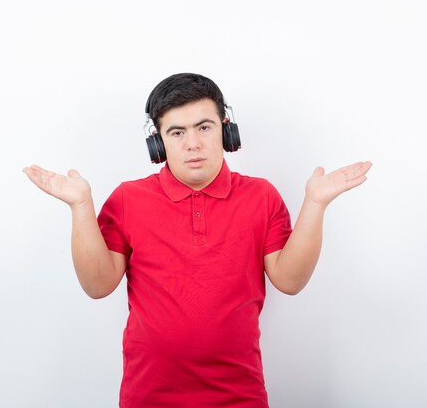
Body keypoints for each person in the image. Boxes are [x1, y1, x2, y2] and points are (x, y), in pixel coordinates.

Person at [23, 73, 372, 408]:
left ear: (226, 130)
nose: (193, 144)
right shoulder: (129, 199)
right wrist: (81, 205)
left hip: (240, 395)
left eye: (204, 127)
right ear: (157, 142)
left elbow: (290, 280)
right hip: (148, 396)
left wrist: (315, 204)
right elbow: (97, 285)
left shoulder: (261, 196)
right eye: (176, 132)